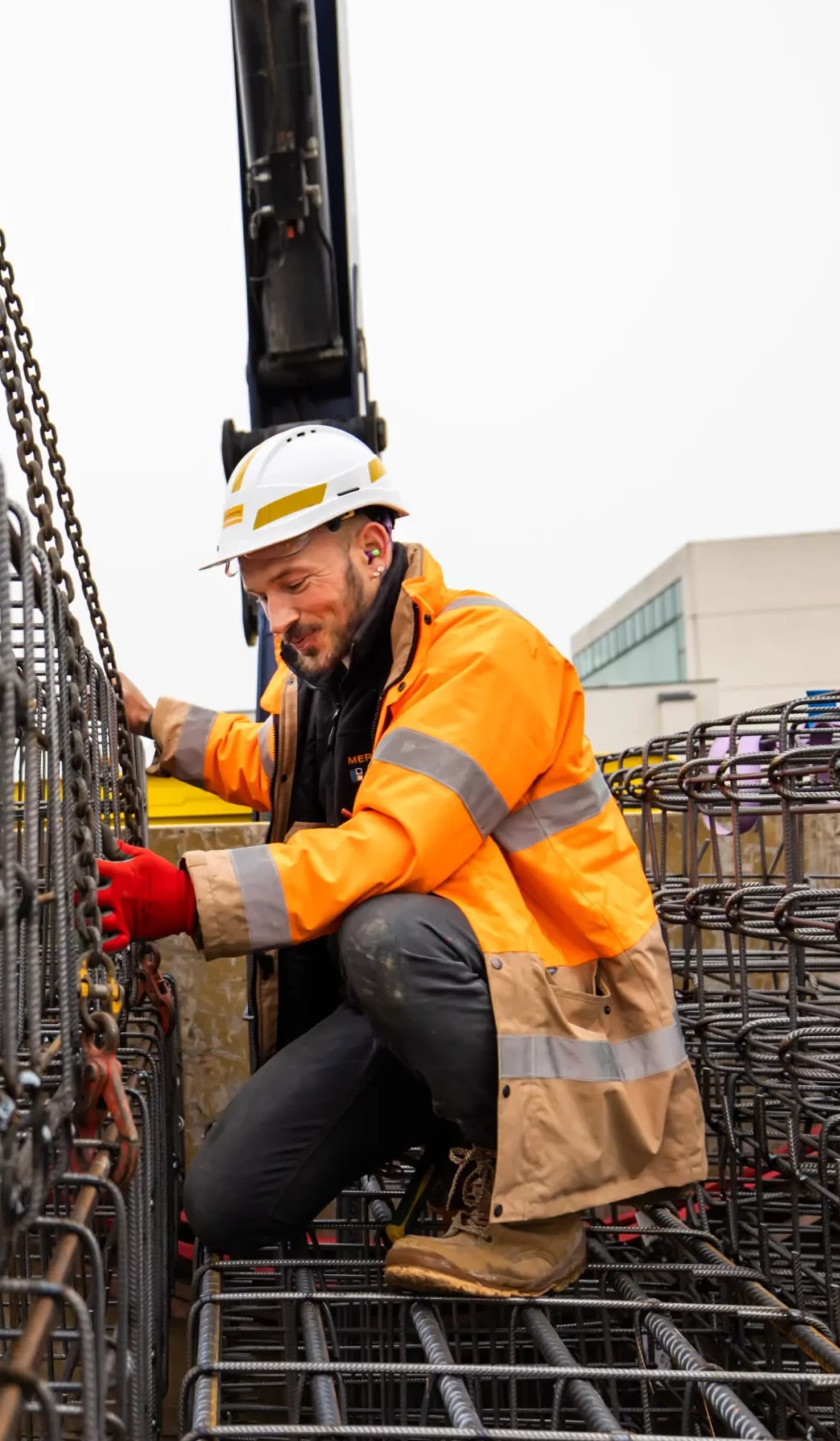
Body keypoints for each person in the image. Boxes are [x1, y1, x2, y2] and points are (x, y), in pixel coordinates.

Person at [94, 424, 704, 1297]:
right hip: (434, 1006)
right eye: (261, 595)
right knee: (228, 1198)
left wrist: (191, 894)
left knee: (384, 932)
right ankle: (452, 1133)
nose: (280, 620)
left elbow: (392, 842)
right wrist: (156, 721)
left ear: (372, 547)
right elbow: (273, 760)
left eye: (295, 584)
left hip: (555, 1026)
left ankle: (528, 1202)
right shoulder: (334, 677)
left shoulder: (486, 656)